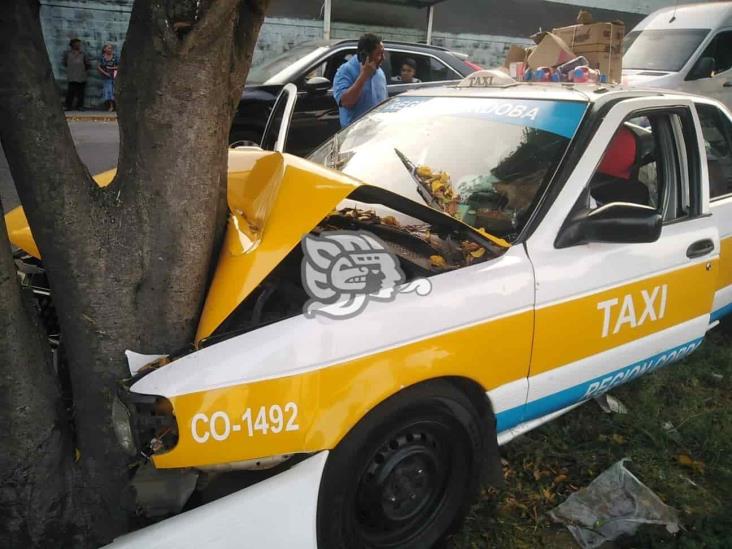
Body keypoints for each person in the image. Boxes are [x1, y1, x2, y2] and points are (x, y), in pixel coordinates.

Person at [333, 33, 387, 127]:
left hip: (376, 132)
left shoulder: (380, 73)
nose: (383, 58)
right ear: (365, 55)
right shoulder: (345, 71)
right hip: (354, 135)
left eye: (383, 53)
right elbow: (346, 102)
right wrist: (364, 76)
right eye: (379, 54)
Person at [62, 38, 91, 110]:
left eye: (79, 44)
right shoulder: (67, 53)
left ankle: (80, 106)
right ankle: (68, 106)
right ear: (72, 45)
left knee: (81, 93)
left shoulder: (83, 53)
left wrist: (83, 69)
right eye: (77, 43)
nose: (78, 45)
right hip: (72, 75)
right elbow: (64, 63)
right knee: (70, 92)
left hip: (81, 75)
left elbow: (88, 64)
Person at [98, 44, 119, 112]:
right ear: (105, 49)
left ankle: (115, 106)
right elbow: (98, 67)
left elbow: (118, 66)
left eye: (111, 48)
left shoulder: (115, 57)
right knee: (109, 91)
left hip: (114, 76)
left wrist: (111, 68)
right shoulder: (102, 57)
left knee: (114, 91)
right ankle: (111, 105)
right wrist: (105, 73)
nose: (110, 49)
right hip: (106, 77)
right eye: (109, 48)